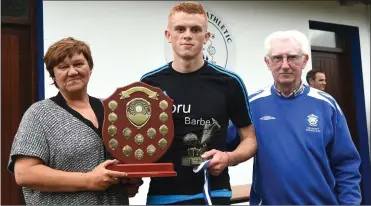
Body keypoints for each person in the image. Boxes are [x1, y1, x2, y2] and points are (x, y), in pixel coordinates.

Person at [140, 2, 257, 205]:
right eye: (180, 29)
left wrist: (228, 158)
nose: (187, 35)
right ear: (168, 35)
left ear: (207, 36)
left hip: (212, 193)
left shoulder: (229, 83)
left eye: (195, 29)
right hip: (163, 194)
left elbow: (250, 140)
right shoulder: (149, 84)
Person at [228, 30, 362, 205]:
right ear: (267, 62)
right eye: (277, 58)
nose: (285, 65)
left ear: (304, 60)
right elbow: (224, 146)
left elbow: (346, 164)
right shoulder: (252, 105)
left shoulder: (327, 105)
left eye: (292, 57)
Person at [7, 37, 143, 205]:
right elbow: (24, 173)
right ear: (53, 75)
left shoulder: (114, 110)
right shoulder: (40, 114)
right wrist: (89, 180)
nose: (72, 72)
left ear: (90, 68)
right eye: (63, 67)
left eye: (78, 64)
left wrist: (128, 181)